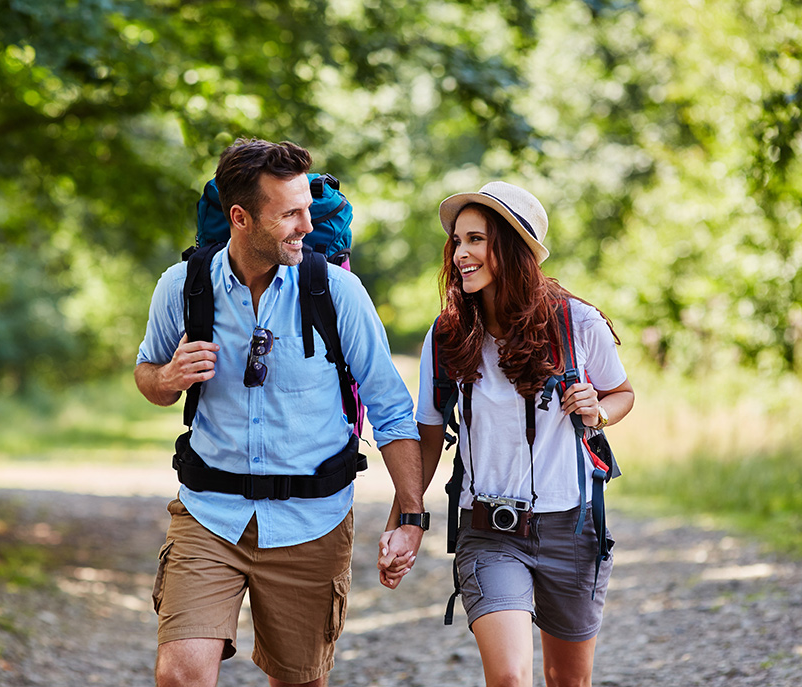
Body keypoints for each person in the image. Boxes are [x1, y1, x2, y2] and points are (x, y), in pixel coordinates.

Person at [135, 138, 426, 687]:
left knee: (299, 682)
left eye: (308, 209)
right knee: (179, 675)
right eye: (289, 213)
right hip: (209, 516)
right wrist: (168, 378)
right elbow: (147, 374)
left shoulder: (336, 291)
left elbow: (392, 410)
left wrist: (410, 516)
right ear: (240, 217)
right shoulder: (182, 287)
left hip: (311, 524)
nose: (306, 225)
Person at [378, 181, 635, 687]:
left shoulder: (577, 323)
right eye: (457, 240)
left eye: (477, 239)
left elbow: (623, 393)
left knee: (568, 681)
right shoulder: (448, 333)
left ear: (513, 249)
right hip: (489, 531)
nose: (461, 253)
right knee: (511, 678)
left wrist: (598, 410)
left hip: (573, 529)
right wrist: (405, 520)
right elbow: (428, 434)